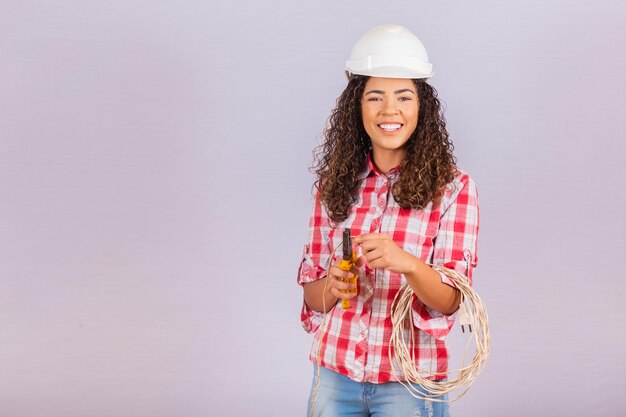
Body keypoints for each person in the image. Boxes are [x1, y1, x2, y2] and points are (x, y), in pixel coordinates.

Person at [296, 24, 479, 417]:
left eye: (404, 97)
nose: (389, 110)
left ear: (421, 108)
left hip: (407, 384)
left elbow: (452, 301)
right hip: (334, 372)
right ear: (356, 108)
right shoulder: (333, 185)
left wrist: (408, 264)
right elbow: (313, 297)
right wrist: (332, 282)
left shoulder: (453, 189)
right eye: (374, 97)